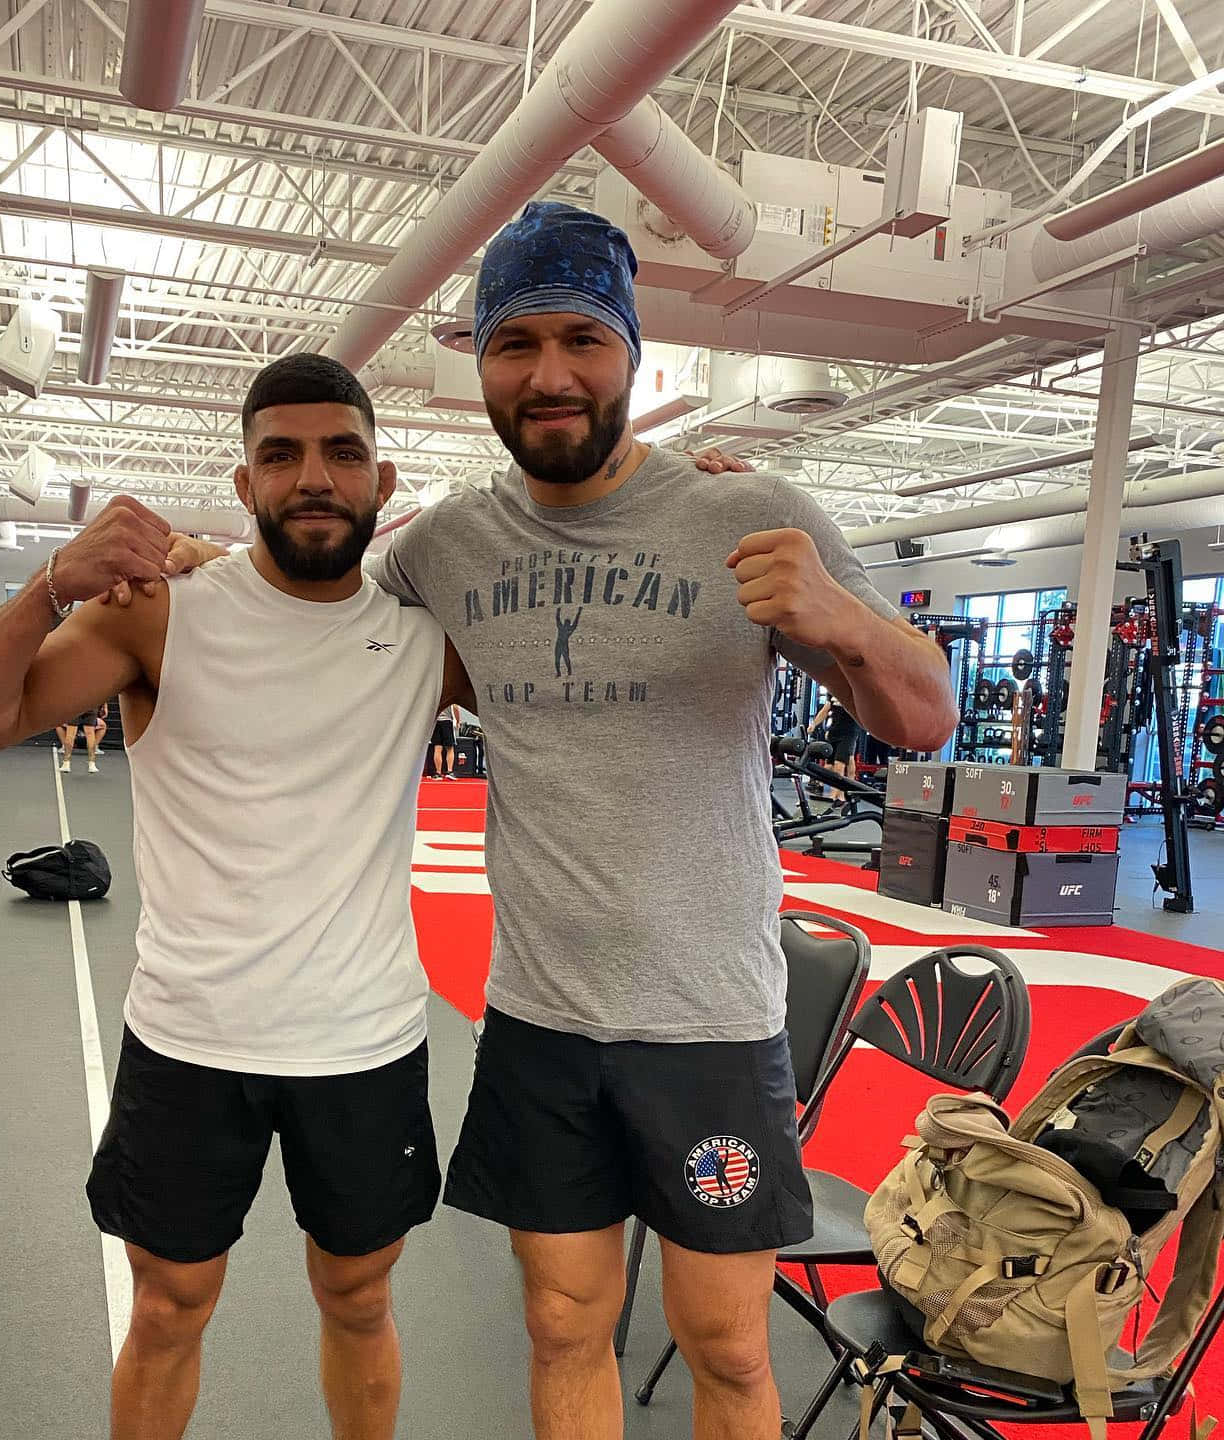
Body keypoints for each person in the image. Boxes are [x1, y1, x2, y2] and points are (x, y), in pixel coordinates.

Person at [153, 207, 955, 1440]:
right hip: (538, 1018)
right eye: (514, 345)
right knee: (564, 1325)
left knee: (730, 1346)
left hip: (709, 1021)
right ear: (480, 367)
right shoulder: (451, 546)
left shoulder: (758, 509)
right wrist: (190, 565)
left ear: (636, 355)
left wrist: (846, 621)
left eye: (583, 338)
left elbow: (925, 720)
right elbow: (312, 603)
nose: (550, 375)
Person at [0, 353, 474, 1440]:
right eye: (282, 455)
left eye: (341, 453)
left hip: (363, 1044)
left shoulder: (425, 641)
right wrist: (48, 587)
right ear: (245, 482)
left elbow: (594, 621)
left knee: (360, 1298)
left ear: (383, 481)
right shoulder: (156, 618)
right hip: (189, 1040)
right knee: (170, 1308)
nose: (313, 477)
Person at [807, 695, 861, 800]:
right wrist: (813, 724)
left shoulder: (853, 692)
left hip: (849, 732)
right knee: (830, 766)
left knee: (839, 764)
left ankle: (836, 795)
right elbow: (825, 710)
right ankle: (843, 793)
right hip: (834, 731)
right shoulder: (832, 692)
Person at [56, 698, 110, 774]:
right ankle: (92, 764)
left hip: (75, 703)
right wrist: (105, 706)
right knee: (90, 734)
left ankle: (66, 763)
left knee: (71, 734)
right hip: (91, 704)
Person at [430, 702, 462, 779]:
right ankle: (450, 771)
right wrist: (458, 721)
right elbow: (455, 707)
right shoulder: (450, 694)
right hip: (447, 722)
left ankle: (438, 773)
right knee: (450, 748)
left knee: (437, 748)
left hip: (436, 722)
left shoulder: (435, 695)